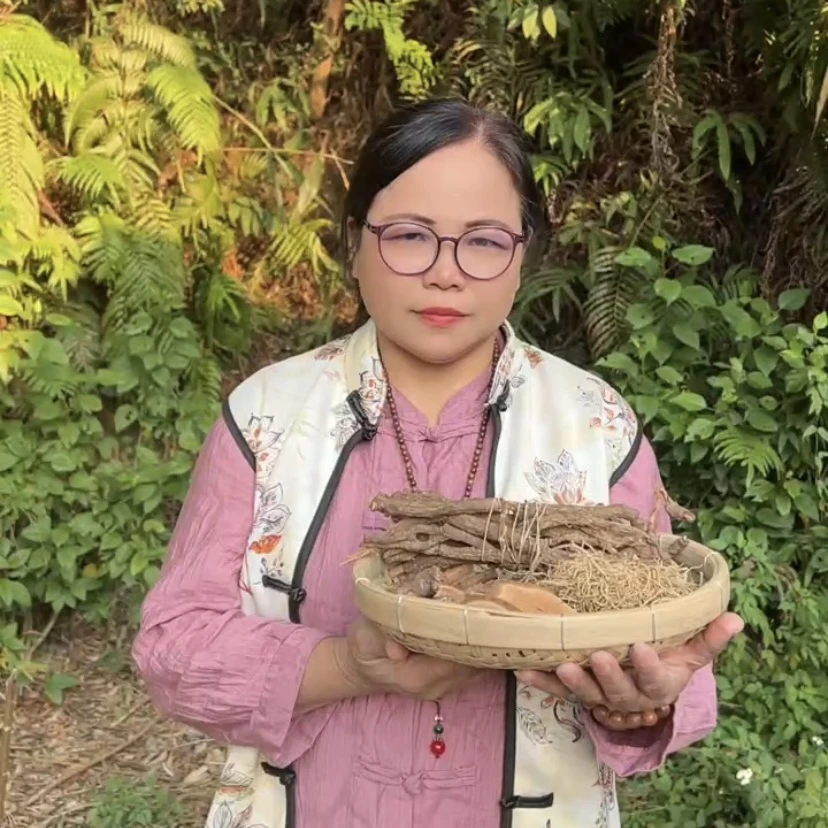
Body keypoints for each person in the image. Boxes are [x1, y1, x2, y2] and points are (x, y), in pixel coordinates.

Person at [132, 99, 743, 828]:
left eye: (483, 241)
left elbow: (664, 645)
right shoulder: (267, 418)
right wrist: (347, 667)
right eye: (410, 235)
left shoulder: (594, 423)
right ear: (354, 243)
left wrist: (640, 701)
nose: (446, 273)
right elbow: (176, 647)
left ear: (524, 256)